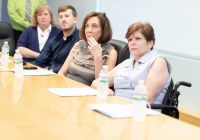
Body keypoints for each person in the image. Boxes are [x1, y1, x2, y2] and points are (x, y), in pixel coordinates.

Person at [91, 22, 172, 105]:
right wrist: (105, 90)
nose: (132, 42)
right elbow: (95, 83)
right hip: (115, 106)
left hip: (139, 112)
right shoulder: (126, 63)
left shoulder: (158, 61)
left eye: (138, 38)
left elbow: (147, 98)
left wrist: (118, 106)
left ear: (150, 43)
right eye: (130, 39)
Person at [58, 12, 117, 86]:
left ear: (104, 30)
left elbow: (101, 84)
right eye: (87, 26)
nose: (89, 30)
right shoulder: (79, 44)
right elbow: (61, 73)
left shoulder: (111, 52)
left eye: (94, 26)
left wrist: (97, 56)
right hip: (65, 87)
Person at [31, 5, 80, 73]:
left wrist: (53, 70)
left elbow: (76, 65)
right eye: (61, 17)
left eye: (67, 16)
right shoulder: (54, 40)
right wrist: (25, 68)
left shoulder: (80, 40)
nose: (63, 19)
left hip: (67, 77)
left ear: (75, 20)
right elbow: (40, 60)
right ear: (58, 21)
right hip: (49, 75)